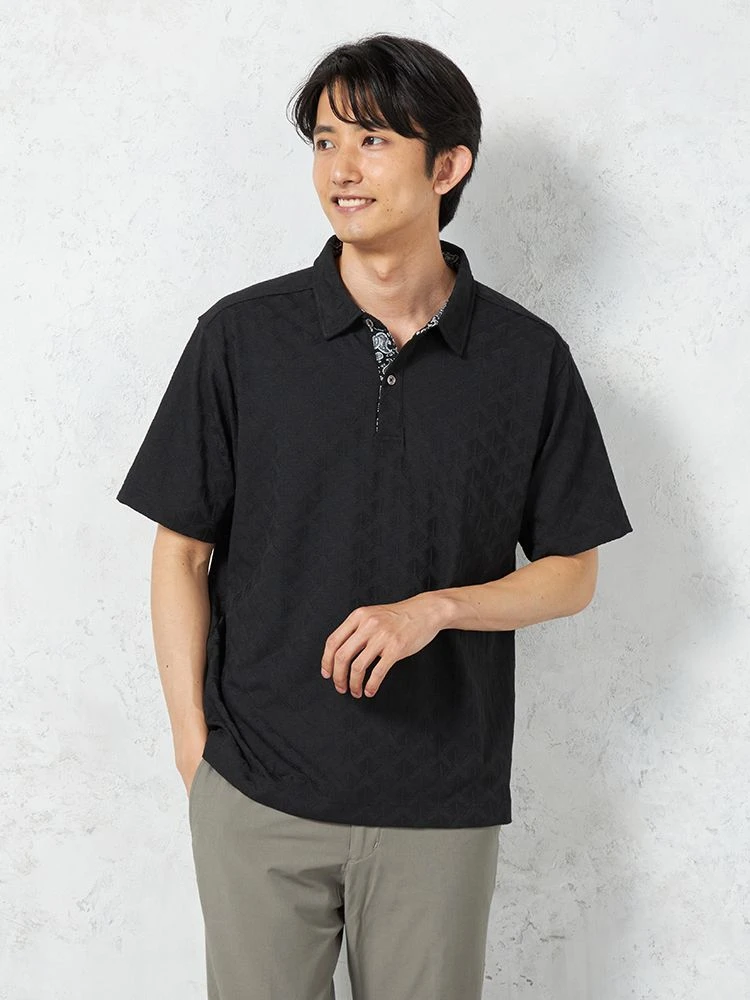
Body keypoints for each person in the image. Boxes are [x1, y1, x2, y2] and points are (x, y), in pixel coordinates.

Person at [116, 32, 633, 1000]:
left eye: (371, 141)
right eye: (324, 142)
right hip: (258, 789)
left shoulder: (525, 359)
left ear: (448, 165)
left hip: (440, 801)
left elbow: (573, 572)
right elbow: (180, 551)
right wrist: (195, 750)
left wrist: (435, 609)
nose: (340, 170)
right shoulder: (241, 339)